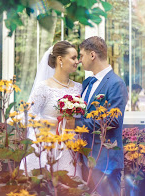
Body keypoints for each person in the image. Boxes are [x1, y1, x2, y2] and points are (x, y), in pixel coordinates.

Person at [20, 41, 82, 177]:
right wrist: (50, 123)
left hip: (70, 147)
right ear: (60, 59)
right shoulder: (44, 87)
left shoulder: (78, 88)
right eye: (73, 58)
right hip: (47, 146)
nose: (77, 61)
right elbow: (27, 117)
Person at [76, 36, 128, 196]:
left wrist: (76, 124)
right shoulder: (88, 83)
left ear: (92, 55)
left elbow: (112, 121)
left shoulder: (116, 83)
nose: (79, 60)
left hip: (105, 161)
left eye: (81, 55)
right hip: (84, 159)